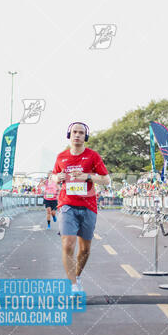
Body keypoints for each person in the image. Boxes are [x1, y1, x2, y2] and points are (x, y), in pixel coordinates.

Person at [52, 122, 110, 293]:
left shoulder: (93, 156)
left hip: (88, 205)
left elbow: (106, 180)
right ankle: (73, 286)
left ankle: (76, 276)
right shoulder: (61, 157)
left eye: (81, 132)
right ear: (69, 135)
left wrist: (88, 176)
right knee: (68, 244)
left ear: (86, 136)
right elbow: (54, 176)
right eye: (74, 132)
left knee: (84, 250)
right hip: (67, 204)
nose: (77, 135)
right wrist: (57, 178)